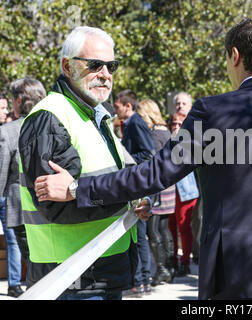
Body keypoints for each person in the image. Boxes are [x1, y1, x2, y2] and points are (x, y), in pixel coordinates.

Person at [34, 17, 252, 299]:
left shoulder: (213, 113)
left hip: (237, 271)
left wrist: (77, 189)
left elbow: (154, 174)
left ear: (235, 56)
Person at [18, 26, 149, 300]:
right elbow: (53, 205)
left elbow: (119, 176)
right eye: (95, 65)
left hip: (103, 266)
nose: (105, 74)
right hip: (71, 275)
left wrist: (137, 200)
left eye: (111, 66)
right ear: (67, 66)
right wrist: (126, 198)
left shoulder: (96, 117)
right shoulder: (50, 118)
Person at [0, 78, 46, 297]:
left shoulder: (8, 132)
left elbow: (1, 172)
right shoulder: (52, 125)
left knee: (27, 253)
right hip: (51, 201)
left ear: (19, 100)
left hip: (18, 203)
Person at [114, 90, 155, 295]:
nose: (116, 110)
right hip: (136, 183)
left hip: (139, 184)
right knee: (138, 235)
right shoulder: (130, 123)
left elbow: (148, 152)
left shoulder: (135, 122)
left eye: (118, 106)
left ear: (128, 106)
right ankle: (143, 280)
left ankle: (140, 281)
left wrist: (126, 160)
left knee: (138, 236)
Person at [136, 99, 174, 286]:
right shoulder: (165, 130)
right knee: (164, 229)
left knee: (153, 230)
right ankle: (169, 266)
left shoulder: (154, 135)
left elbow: (154, 164)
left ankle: (161, 269)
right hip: (169, 186)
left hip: (159, 188)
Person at [168, 112, 199, 277]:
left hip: (185, 190)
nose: (176, 127)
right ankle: (172, 258)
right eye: (173, 123)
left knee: (184, 226)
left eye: (180, 124)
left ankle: (185, 262)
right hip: (169, 190)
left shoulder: (190, 141)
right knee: (170, 226)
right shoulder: (168, 140)